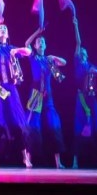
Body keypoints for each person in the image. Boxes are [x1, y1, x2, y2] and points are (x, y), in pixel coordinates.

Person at [0, 17, 32, 169]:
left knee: (17, 120)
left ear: (8, 34)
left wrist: (18, 50)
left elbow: (29, 51)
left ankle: (25, 158)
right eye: (0, 29)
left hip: (11, 88)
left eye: (5, 28)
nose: (3, 29)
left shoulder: (11, 49)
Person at [24, 27, 67, 169]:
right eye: (38, 42)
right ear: (35, 46)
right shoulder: (33, 56)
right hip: (35, 94)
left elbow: (64, 62)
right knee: (32, 125)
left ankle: (58, 162)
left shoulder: (49, 60)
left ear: (46, 45)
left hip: (48, 97)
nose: (41, 43)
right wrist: (38, 31)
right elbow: (26, 43)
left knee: (54, 126)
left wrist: (54, 57)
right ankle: (28, 159)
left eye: (43, 42)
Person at [72, 17, 97, 169]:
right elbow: (78, 42)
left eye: (83, 51)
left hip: (92, 99)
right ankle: (75, 160)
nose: (81, 52)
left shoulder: (90, 65)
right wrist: (76, 25)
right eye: (80, 51)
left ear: (86, 54)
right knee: (79, 128)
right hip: (81, 98)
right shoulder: (77, 63)